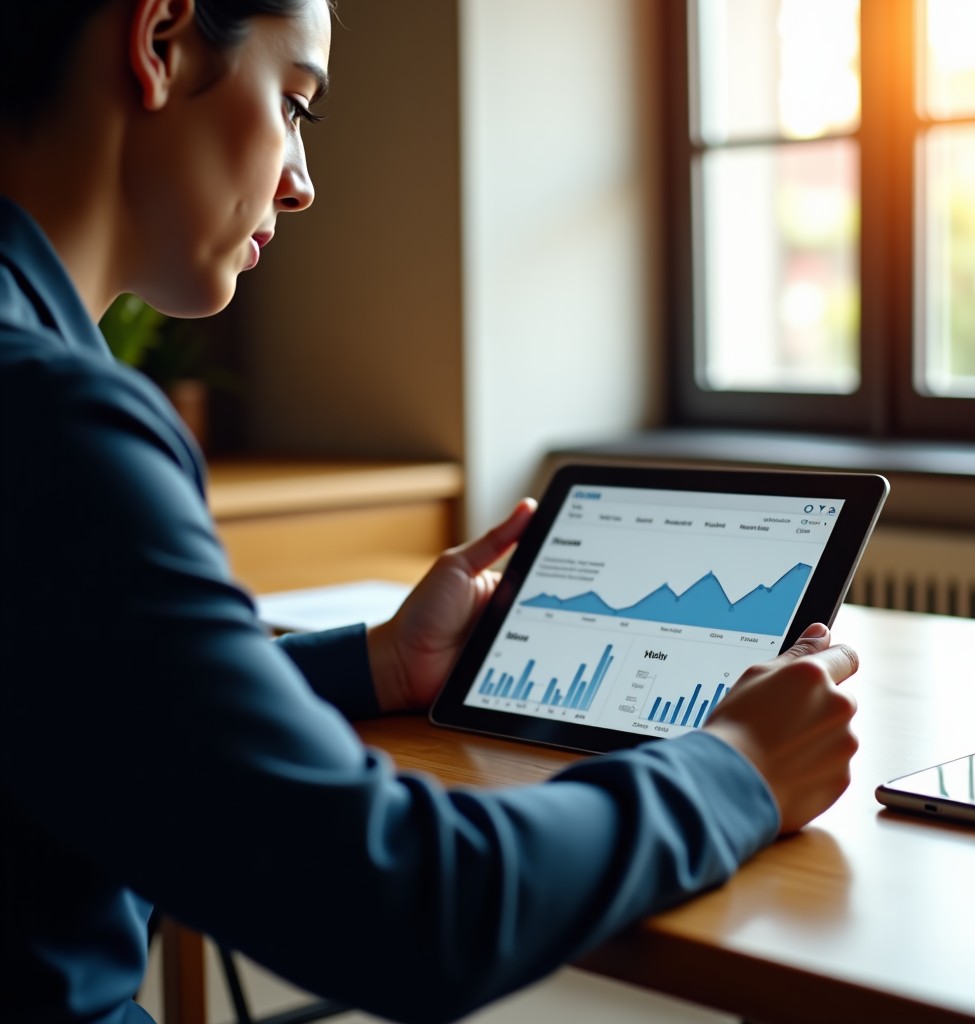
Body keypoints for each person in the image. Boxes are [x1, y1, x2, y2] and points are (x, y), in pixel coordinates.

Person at [0, 2, 860, 1022]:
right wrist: (738, 768)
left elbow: (88, 700)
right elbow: (410, 903)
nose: (302, 181)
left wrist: (374, 663)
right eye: (294, 102)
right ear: (160, 39)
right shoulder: (55, 427)